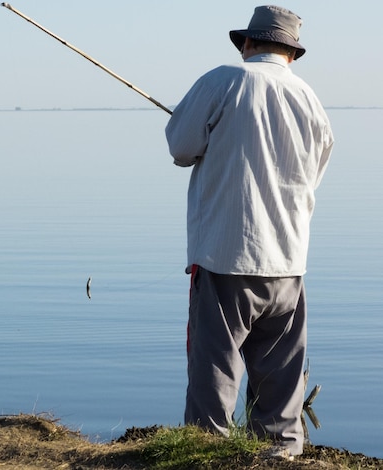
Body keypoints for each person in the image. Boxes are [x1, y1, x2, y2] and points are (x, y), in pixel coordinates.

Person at [164, 5, 334, 458]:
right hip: (288, 265)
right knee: (280, 387)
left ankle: (207, 459)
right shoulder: (311, 100)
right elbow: (312, 175)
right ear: (292, 54)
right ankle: (281, 459)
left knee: (213, 380)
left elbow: (180, 148)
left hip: (225, 257)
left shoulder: (223, 80)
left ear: (247, 43)